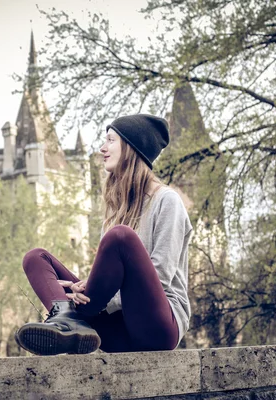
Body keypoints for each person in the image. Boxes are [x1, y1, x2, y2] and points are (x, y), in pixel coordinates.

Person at [15, 114, 193, 355]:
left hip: (157, 326)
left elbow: (160, 278)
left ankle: (74, 319)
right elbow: (107, 275)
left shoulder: (168, 201)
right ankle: (69, 321)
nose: (102, 148)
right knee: (35, 258)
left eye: (110, 140)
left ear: (131, 148)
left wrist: (90, 294)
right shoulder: (115, 207)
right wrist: (82, 291)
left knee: (120, 236)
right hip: (114, 331)